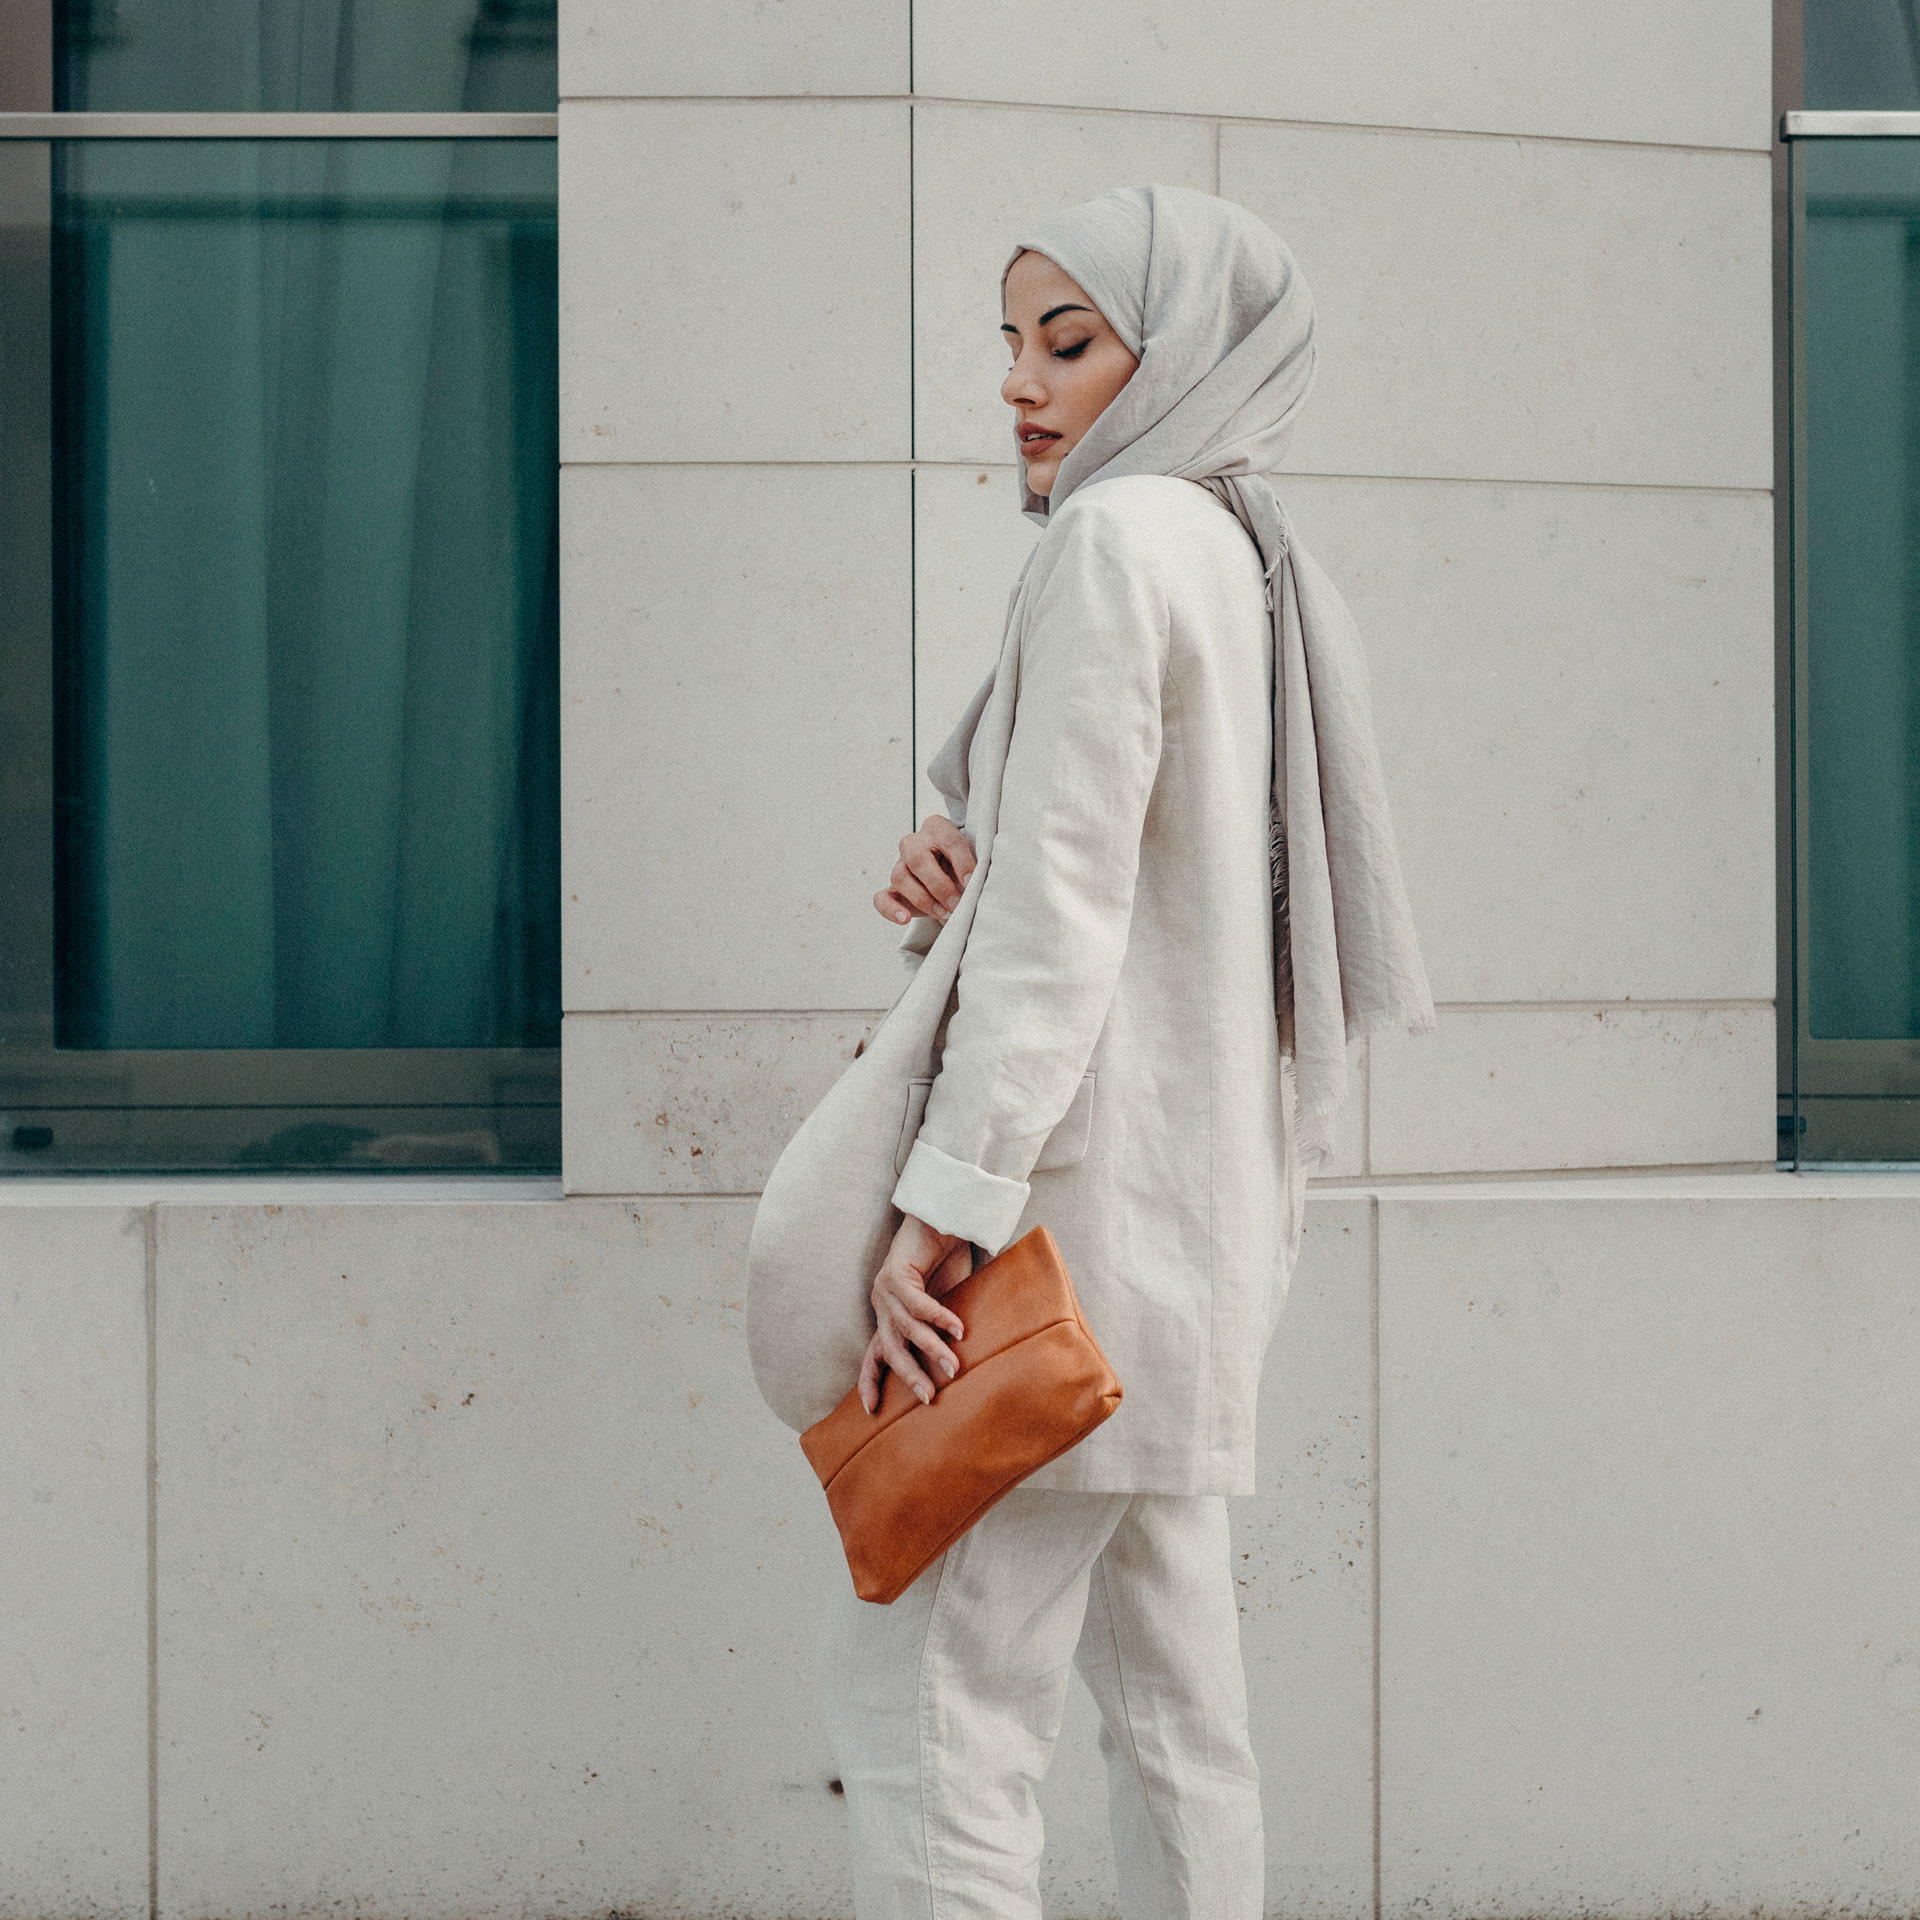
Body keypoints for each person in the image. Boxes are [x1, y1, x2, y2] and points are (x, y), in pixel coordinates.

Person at [818, 185, 1433, 1920]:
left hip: (1056, 1240)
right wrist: (970, 872)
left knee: (936, 1698)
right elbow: (1147, 896)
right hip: (1194, 1235)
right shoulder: (1249, 559)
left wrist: (940, 1218)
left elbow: (1070, 918)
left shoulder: (1112, 545)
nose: (1021, 381)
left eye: (1068, 341)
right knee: (1177, 1714)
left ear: (1185, 354)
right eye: (1011, 340)